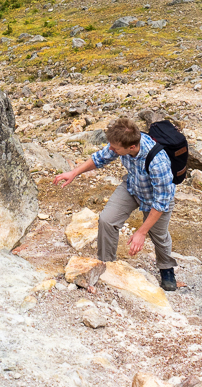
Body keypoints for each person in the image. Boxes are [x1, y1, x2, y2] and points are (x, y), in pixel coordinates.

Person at [53, 114, 178, 291]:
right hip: (133, 186)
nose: (112, 149)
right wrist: (73, 173)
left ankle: (166, 268)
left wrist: (141, 232)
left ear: (132, 147)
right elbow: (98, 158)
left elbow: (161, 203)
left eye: (116, 148)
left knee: (159, 235)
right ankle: (106, 264)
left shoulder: (158, 162)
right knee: (107, 220)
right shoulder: (120, 143)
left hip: (155, 199)